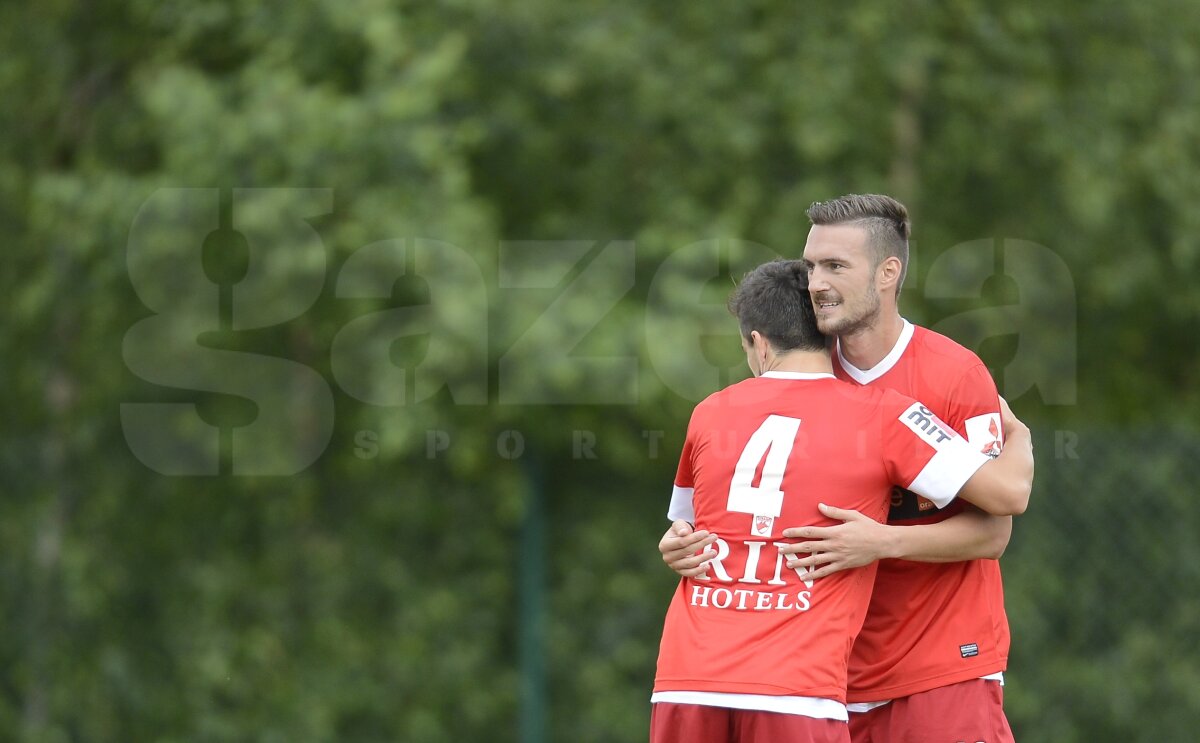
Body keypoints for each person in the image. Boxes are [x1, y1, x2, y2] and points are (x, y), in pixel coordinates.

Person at [659, 194, 1023, 743]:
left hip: (938, 666)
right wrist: (681, 542)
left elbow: (995, 528)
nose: (815, 282)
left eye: (835, 266)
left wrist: (882, 542)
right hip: (820, 682)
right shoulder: (799, 369)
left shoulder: (955, 373)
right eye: (810, 266)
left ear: (888, 273)